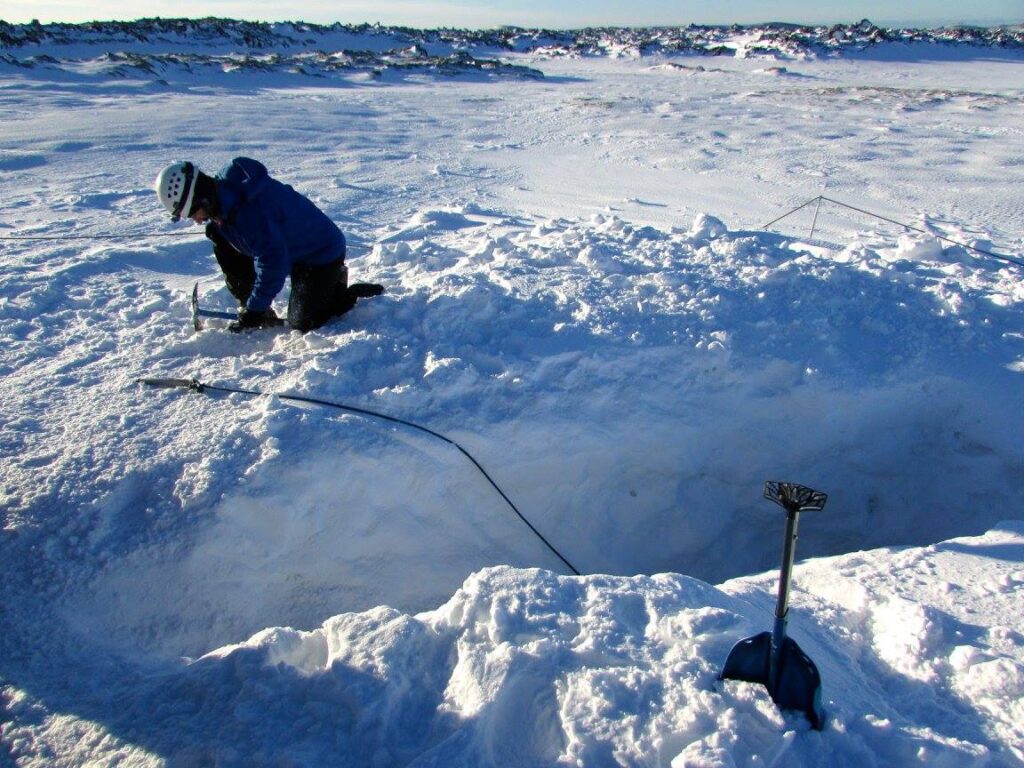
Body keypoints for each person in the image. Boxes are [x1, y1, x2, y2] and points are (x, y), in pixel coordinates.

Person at [155, 158, 382, 333]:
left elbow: (273, 262)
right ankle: (253, 303)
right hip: (290, 250)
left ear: (201, 197)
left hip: (320, 254)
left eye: (193, 212)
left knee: (303, 324)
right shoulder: (225, 203)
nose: (196, 219)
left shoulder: (250, 213)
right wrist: (252, 304)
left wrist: (255, 309)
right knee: (216, 232)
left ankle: (340, 290)